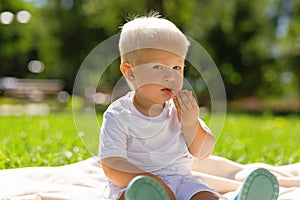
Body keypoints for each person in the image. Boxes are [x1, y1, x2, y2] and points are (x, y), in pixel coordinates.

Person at [98, 12, 279, 200]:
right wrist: (150, 180)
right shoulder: (119, 114)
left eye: (177, 67)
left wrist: (191, 123)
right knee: (133, 195)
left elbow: (203, 152)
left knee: (203, 195)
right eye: (158, 67)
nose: (171, 76)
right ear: (131, 73)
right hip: (137, 184)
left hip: (181, 181)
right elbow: (113, 165)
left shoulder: (178, 110)